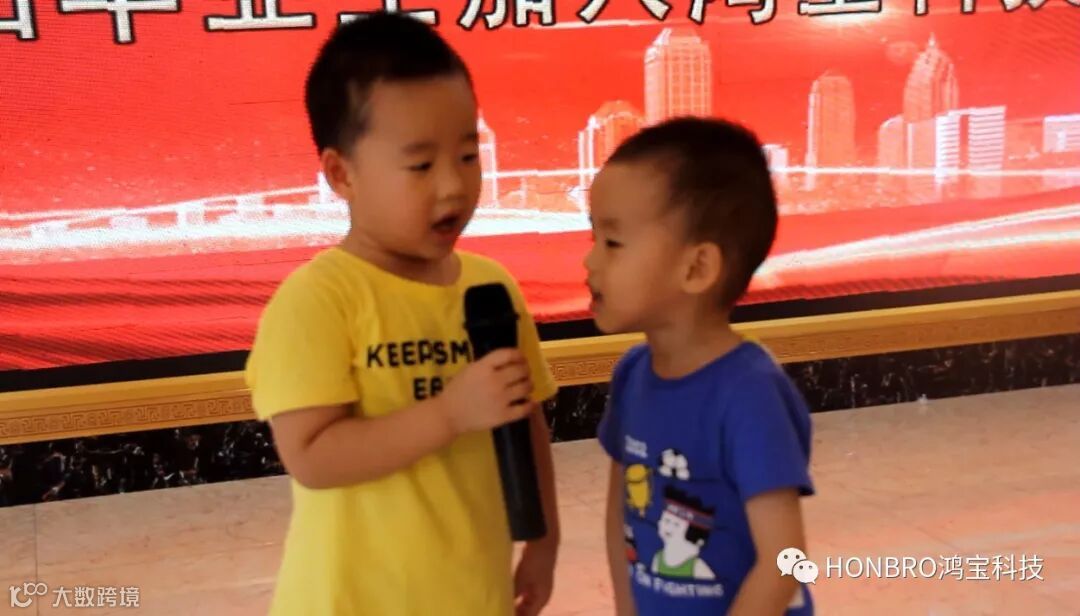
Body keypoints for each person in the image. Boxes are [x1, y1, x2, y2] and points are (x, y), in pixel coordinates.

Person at [245, 13, 560, 616]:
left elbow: (527, 423)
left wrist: (544, 540)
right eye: (421, 165)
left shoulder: (491, 289)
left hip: (473, 595)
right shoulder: (317, 300)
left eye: (467, 155)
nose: (453, 186)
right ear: (342, 174)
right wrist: (449, 413)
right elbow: (312, 456)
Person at [588, 117, 815, 615]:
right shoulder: (633, 375)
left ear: (697, 268)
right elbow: (621, 513)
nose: (590, 263)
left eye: (613, 243)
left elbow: (785, 560)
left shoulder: (750, 395)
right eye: (593, 237)